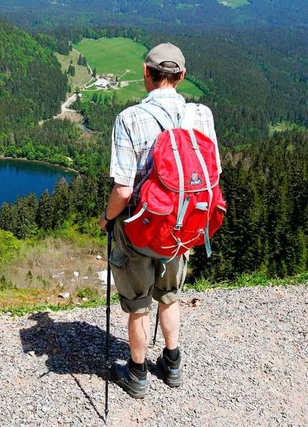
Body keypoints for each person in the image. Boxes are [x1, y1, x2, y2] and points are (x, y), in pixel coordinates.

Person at [98, 42, 218, 399]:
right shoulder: (202, 115)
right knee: (170, 296)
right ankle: (172, 363)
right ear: (181, 76)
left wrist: (107, 220)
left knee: (138, 303)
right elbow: (212, 176)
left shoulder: (130, 118)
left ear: (147, 75)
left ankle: (136, 374)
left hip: (139, 226)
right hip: (182, 228)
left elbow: (123, 189)